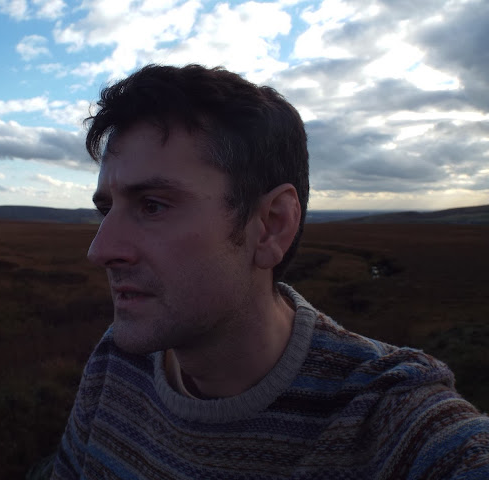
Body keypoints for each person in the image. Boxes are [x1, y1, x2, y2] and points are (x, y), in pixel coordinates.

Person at [51, 64, 489, 479]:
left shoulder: (390, 423)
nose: (100, 250)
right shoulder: (116, 361)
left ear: (272, 225)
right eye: (106, 209)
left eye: (152, 206)